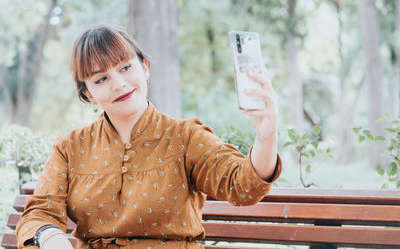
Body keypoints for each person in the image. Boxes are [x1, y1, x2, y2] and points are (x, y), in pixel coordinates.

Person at [16, 24, 281, 249]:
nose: (119, 84)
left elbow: (242, 186)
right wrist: (51, 238)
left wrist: (266, 134)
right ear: (87, 94)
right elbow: (40, 212)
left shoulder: (185, 136)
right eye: (101, 79)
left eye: (125, 67)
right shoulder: (70, 148)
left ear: (144, 68)